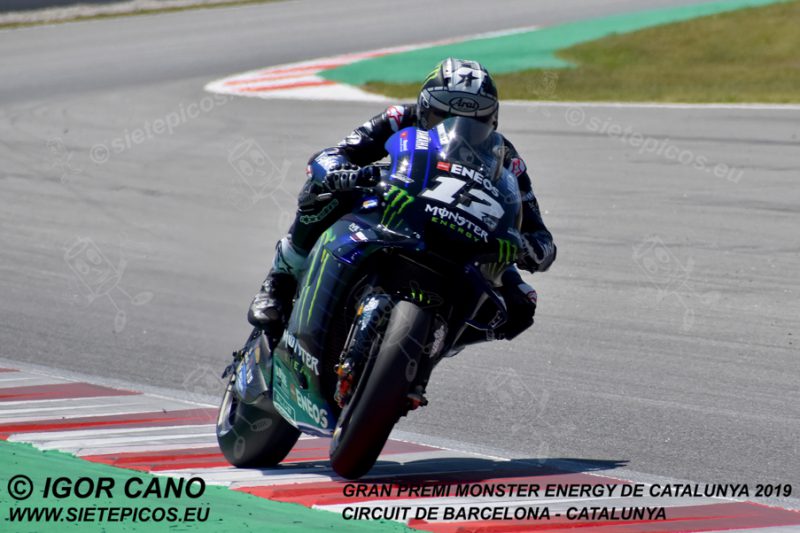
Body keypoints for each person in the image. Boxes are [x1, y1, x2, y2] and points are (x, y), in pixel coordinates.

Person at [248, 58, 556, 345]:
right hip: (396, 204)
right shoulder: (399, 119)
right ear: (424, 109)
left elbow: (539, 232)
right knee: (322, 194)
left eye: (475, 120)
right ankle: (278, 282)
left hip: (464, 232)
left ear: (493, 120)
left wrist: (532, 249)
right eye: (444, 116)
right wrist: (341, 173)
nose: (459, 129)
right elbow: (332, 155)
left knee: (522, 303)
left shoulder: (507, 159)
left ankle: (433, 341)